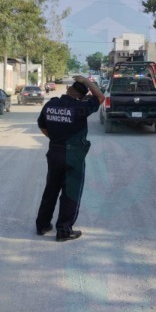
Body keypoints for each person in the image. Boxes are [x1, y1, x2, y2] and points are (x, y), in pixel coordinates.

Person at [35, 75, 105, 242]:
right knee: (70, 193)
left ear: (68, 89)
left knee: (51, 190)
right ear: (81, 96)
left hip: (55, 152)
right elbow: (101, 97)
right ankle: (64, 231)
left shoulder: (51, 104)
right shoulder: (80, 107)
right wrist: (86, 81)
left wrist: (56, 139)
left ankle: (42, 225)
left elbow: (42, 125)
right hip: (73, 155)